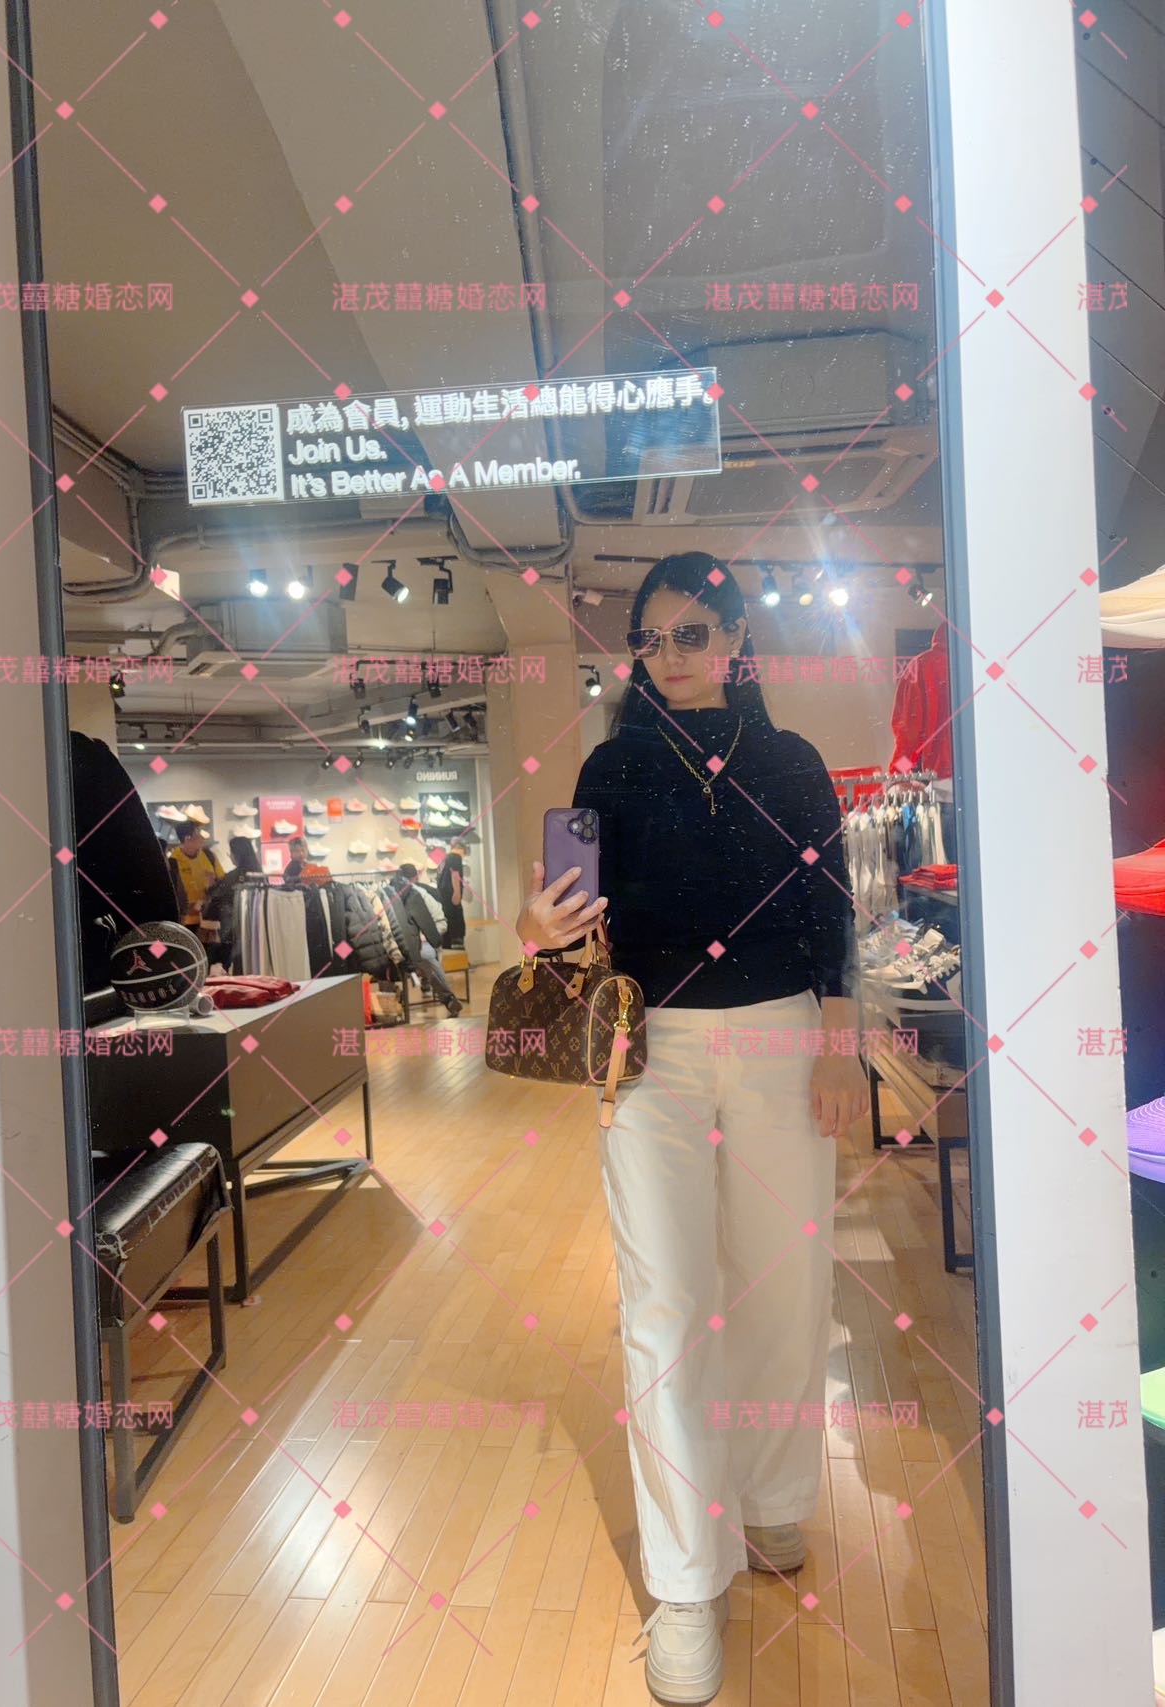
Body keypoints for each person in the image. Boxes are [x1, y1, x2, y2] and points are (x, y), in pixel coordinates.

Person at [514, 552, 867, 1707]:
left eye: (693, 632)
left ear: (735, 638)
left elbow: (828, 911)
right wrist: (537, 928)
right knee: (663, 1305)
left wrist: (838, 1045)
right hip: (646, 1048)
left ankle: (771, 1499)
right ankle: (680, 1583)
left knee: (783, 1284)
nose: (669, 654)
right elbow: (571, 933)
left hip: (777, 1040)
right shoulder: (608, 765)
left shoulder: (791, 761)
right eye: (651, 637)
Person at [68, 732, 179, 994]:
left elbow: (141, 867)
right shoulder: (81, 756)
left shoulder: (80, 756)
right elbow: (143, 869)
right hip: (81, 959)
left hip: (76, 956)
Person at [386, 865, 462, 1016]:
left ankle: (448, 998)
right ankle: (388, 1004)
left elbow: (440, 922)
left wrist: (425, 936)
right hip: (397, 942)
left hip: (421, 941)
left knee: (425, 954)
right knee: (384, 958)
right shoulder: (387, 895)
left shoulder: (420, 895)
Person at [202, 836, 261, 970]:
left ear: (237, 854)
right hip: (255, 927)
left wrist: (210, 886)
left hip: (231, 931)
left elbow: (216, 895)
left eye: (231, 852)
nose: (230, 856)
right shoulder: (258, 874)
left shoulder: (232, 877)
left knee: (232, 963)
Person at [168, 820, 223, 933]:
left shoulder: (209, 856)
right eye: (198, 834)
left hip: (209, 920)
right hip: (185, 923)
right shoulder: (173, 862)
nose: (202, 838)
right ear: (187, 838)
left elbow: (222, 881)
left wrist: (213, 884)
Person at [435, 849, 466, 947]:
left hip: (444, 903)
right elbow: (455, 874)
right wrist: (457, 892)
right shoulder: (455, 858)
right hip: (451, 904)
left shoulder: (445, 861)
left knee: (448, 937)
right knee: (456, 935)